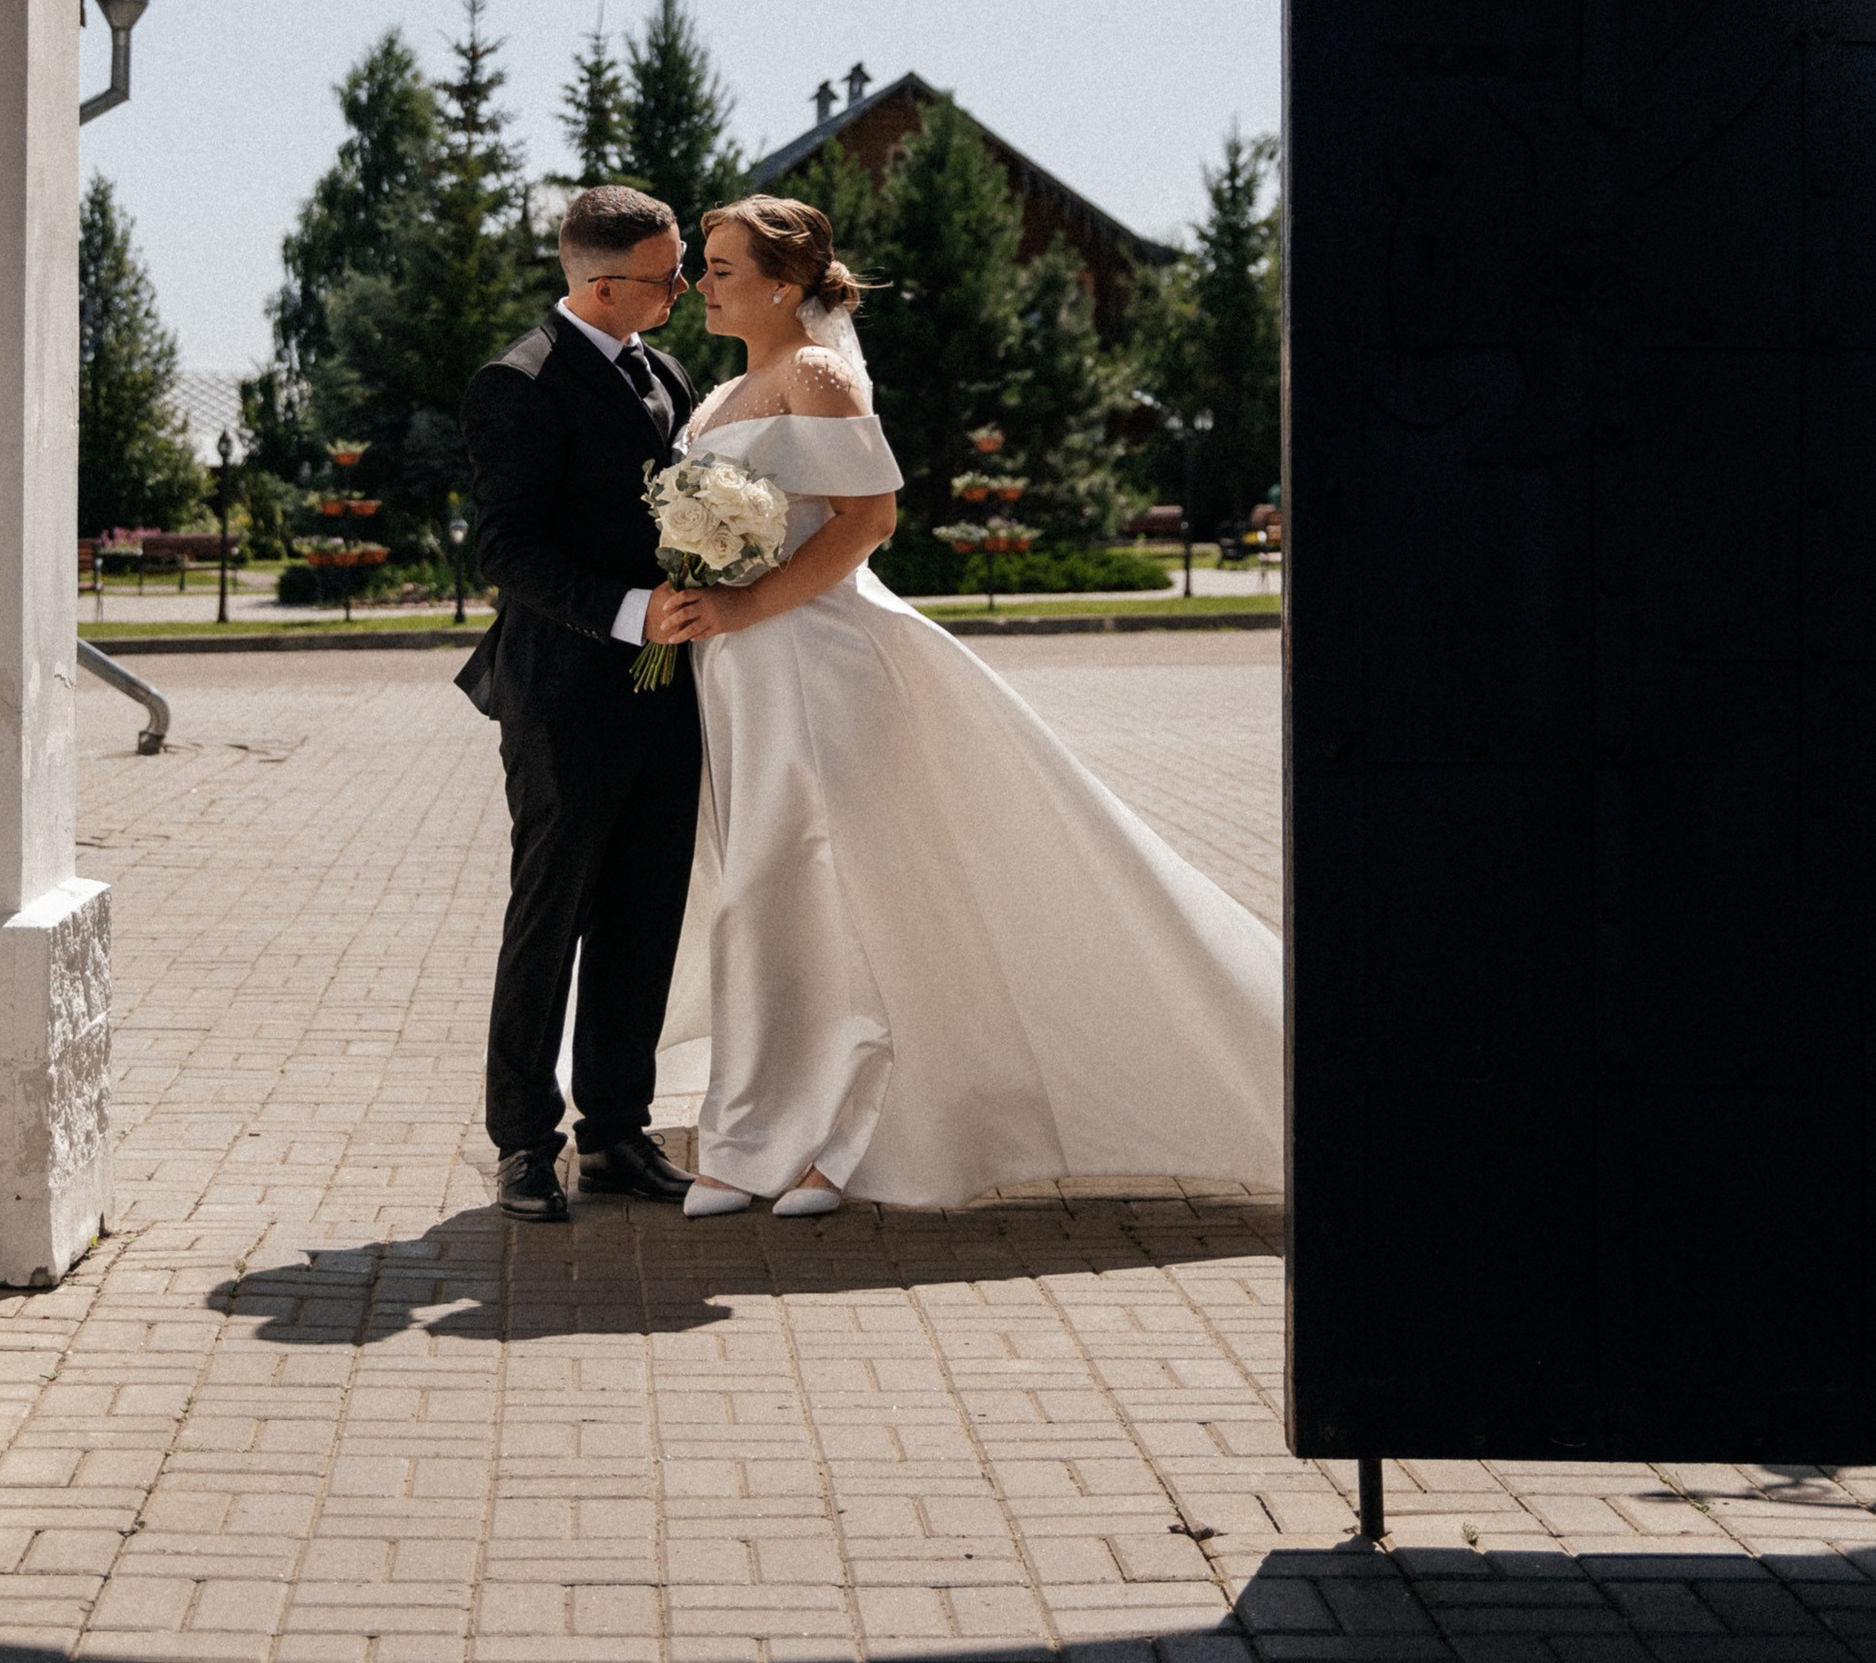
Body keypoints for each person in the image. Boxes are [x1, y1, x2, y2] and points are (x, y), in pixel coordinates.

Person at [647, 194, 1283, 1216]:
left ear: (785, 283)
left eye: (721, 268)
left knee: (824, 887)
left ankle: (844, 1141)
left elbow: (867, 520)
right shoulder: (723, 392)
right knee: (762, 892)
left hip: (820, 658)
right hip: (739, 670)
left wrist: (745, 604)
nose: (703, 285)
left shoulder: (816, 373)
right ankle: (758, 1130)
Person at [457, 184, 705, 1221]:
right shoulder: (519, 382)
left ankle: (615, 1133)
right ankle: (523, 1141)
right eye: (668, 274)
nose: (685, 286)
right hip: (562, 696)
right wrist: (629, 610)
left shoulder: (667, 371)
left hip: (669, 693)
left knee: (644, 914)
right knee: (551, 915)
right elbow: (503, 546)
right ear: (603, 286)